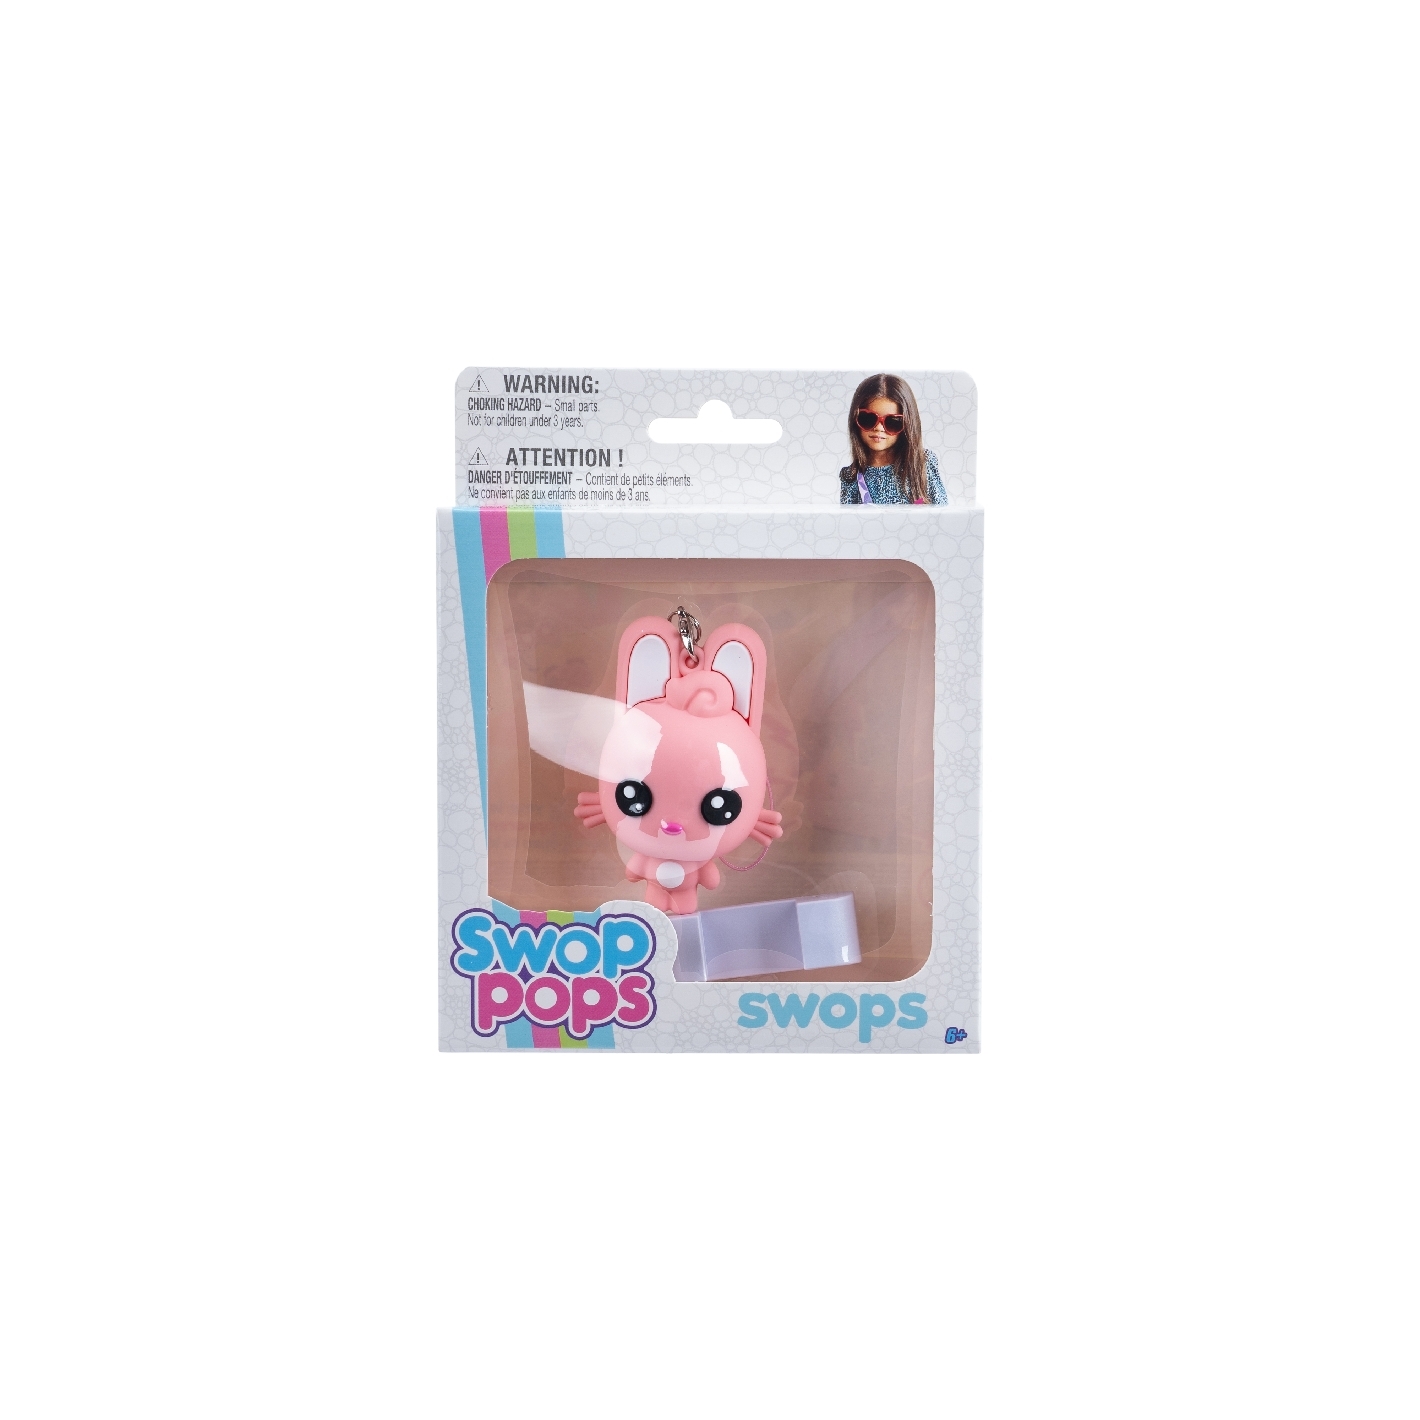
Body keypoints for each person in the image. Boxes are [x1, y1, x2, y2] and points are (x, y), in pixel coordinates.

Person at [839, 373, 947, 504]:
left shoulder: (922, 464)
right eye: (868, 419)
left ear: (907, 425)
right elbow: (848, 517)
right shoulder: (851, 476)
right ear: (855, 419)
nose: (879, 428)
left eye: (892, 422)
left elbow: (941, 513)